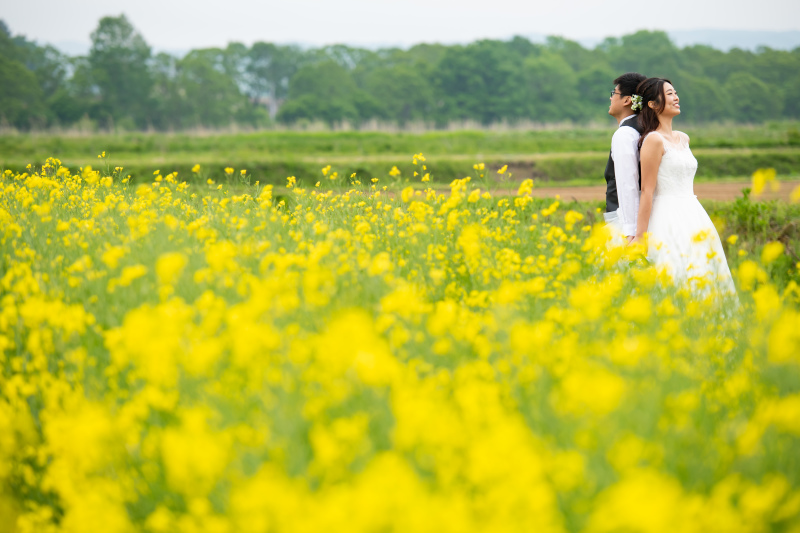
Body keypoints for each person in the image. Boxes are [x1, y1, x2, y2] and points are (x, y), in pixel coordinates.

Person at [631, 77, 736, 294]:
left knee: (704, 269)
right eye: (669, 94)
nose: (676, 97)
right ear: (652, 104)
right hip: (666, 217)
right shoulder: (653, 140)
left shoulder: (683, 138)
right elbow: (646, 191)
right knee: (676, 272)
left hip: (694, 213)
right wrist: (641, 237)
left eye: (675, 93)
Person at [604, 72, 647, 244]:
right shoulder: (647, 128)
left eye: (613, 93)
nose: (610, 98)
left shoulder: (625, 134)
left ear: (627, 100)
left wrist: (631, 231)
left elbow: (628, 185)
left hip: (625, 221)